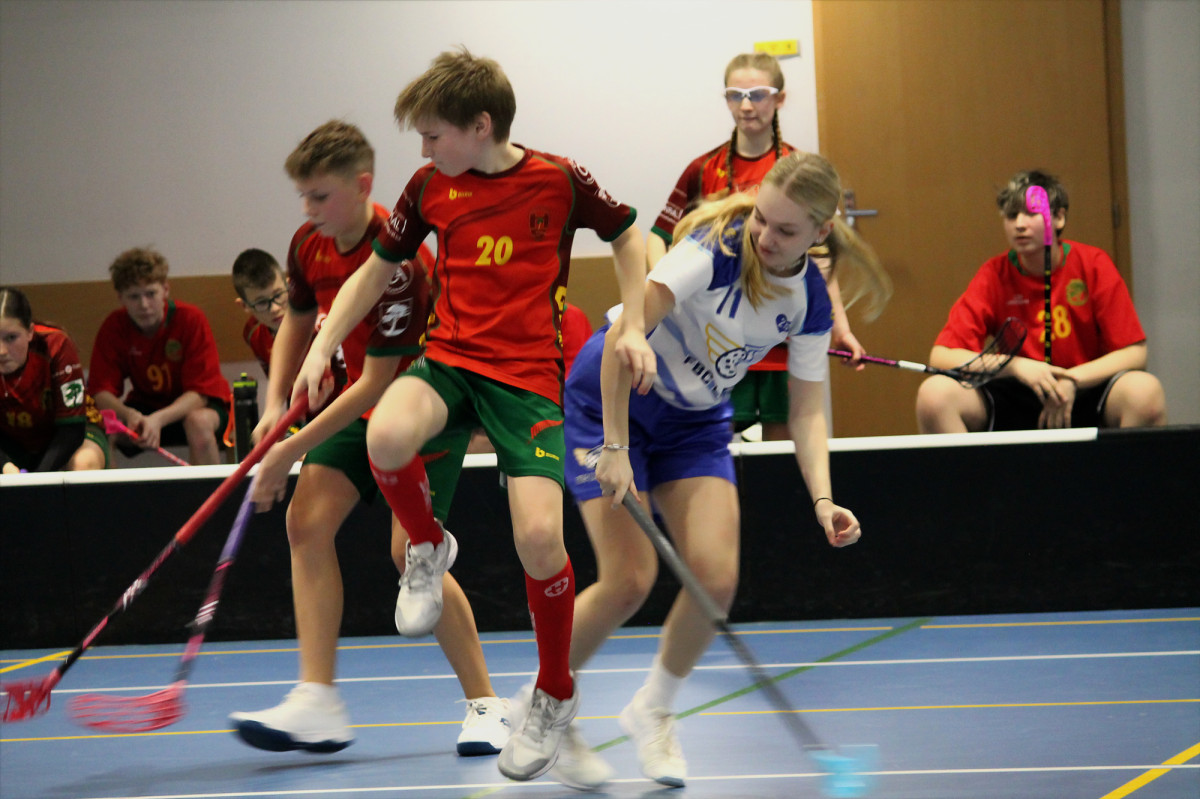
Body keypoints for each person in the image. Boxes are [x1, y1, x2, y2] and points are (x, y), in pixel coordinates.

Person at [290, 49, 655, 784]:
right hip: (451, 360)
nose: (423, 151)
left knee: (540, 540)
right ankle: (428, 547)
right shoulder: (430, 187)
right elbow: (375, 270)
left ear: (480, 126)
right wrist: (322, 343)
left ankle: (554, 693)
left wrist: (636, 324)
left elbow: (627, 234)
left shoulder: (560, 179)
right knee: (387, 433)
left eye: (433, 135)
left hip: (528, 380)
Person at [560, 152, 878, 788]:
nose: (766, 237)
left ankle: (653, 710)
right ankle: (547, 706)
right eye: (762, 219)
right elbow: (626, 338)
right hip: (612, 399)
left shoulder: (810, 300)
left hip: (695, 422)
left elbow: (807, 409)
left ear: (820, 232)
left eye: (786, 230)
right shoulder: (715, 248)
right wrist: (615, 446)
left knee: (716, 579)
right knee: (628, 580)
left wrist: (823, 499)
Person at [228, 120, 512, 757]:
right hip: (358, 410)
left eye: (320, 196)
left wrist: (287, 449)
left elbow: (379, 383)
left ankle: (486, 705)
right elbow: (298, 319)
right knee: (306, 524)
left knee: (409, 553)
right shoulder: (310, 242)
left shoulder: (400, 262)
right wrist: (276, 404)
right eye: (303, 196)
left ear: (362, 186)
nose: (308, 209)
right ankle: (318, 700)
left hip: (421, 410)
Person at [648, 52, 890, 440]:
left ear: (780, 98)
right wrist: (665, 294)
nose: (746, 105)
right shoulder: (703, 168)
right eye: (735, 95)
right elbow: (658, 236)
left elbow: (822, 260)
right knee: (714, 445)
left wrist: (840, 327)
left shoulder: (799, 169)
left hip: (779, 337)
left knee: (784, 447)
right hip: (716, 340)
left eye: (758, 94)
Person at [915, 169, 1167, 432]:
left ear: (1058, 218)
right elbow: (941, 356)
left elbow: (1135, 353)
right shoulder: (994, 274)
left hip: (1083, 389)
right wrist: (1014, 365)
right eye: (1011, 216)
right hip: (1014, 393)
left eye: (1031, 213)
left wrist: (1073, 379)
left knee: (1145, 392)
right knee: (934, 395)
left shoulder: (1093, 264)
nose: (1019, 224)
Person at [87, 247, 230, 465]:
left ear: (165, 290)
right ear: (121, 298)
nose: (144, 305)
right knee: (103, 426)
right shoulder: (114, 326)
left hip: (196, 407)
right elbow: (100, 392)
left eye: (150, 294)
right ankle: (111, 488)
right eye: (134, 297)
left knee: (198, 422)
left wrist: (158, 419)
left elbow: (199, 395)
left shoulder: (191, 319)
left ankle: (212, 489)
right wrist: (129, 414)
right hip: (145, 406)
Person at [0, 286, 108, 474]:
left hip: (70, 431)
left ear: (30, 332)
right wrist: (5, 465)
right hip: (12, 439)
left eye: (11, 338)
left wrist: (38, 481)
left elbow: (72, 430)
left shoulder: (57, 345)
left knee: (83, 464)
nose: (1, 351)